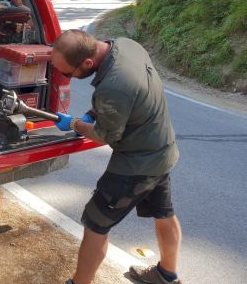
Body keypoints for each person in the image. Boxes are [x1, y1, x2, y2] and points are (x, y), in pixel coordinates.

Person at [51, 29, 182, 284]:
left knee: (95, 224)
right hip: (162, 150)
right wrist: (95, 111)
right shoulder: (126, 45)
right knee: (163, 212)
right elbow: (128, 98)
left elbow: (104, 135)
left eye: (68, 72)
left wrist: (77, 123)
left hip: (136, 164)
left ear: (88, 63)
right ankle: (167, 274)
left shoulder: (113, 85)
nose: (66, 77)